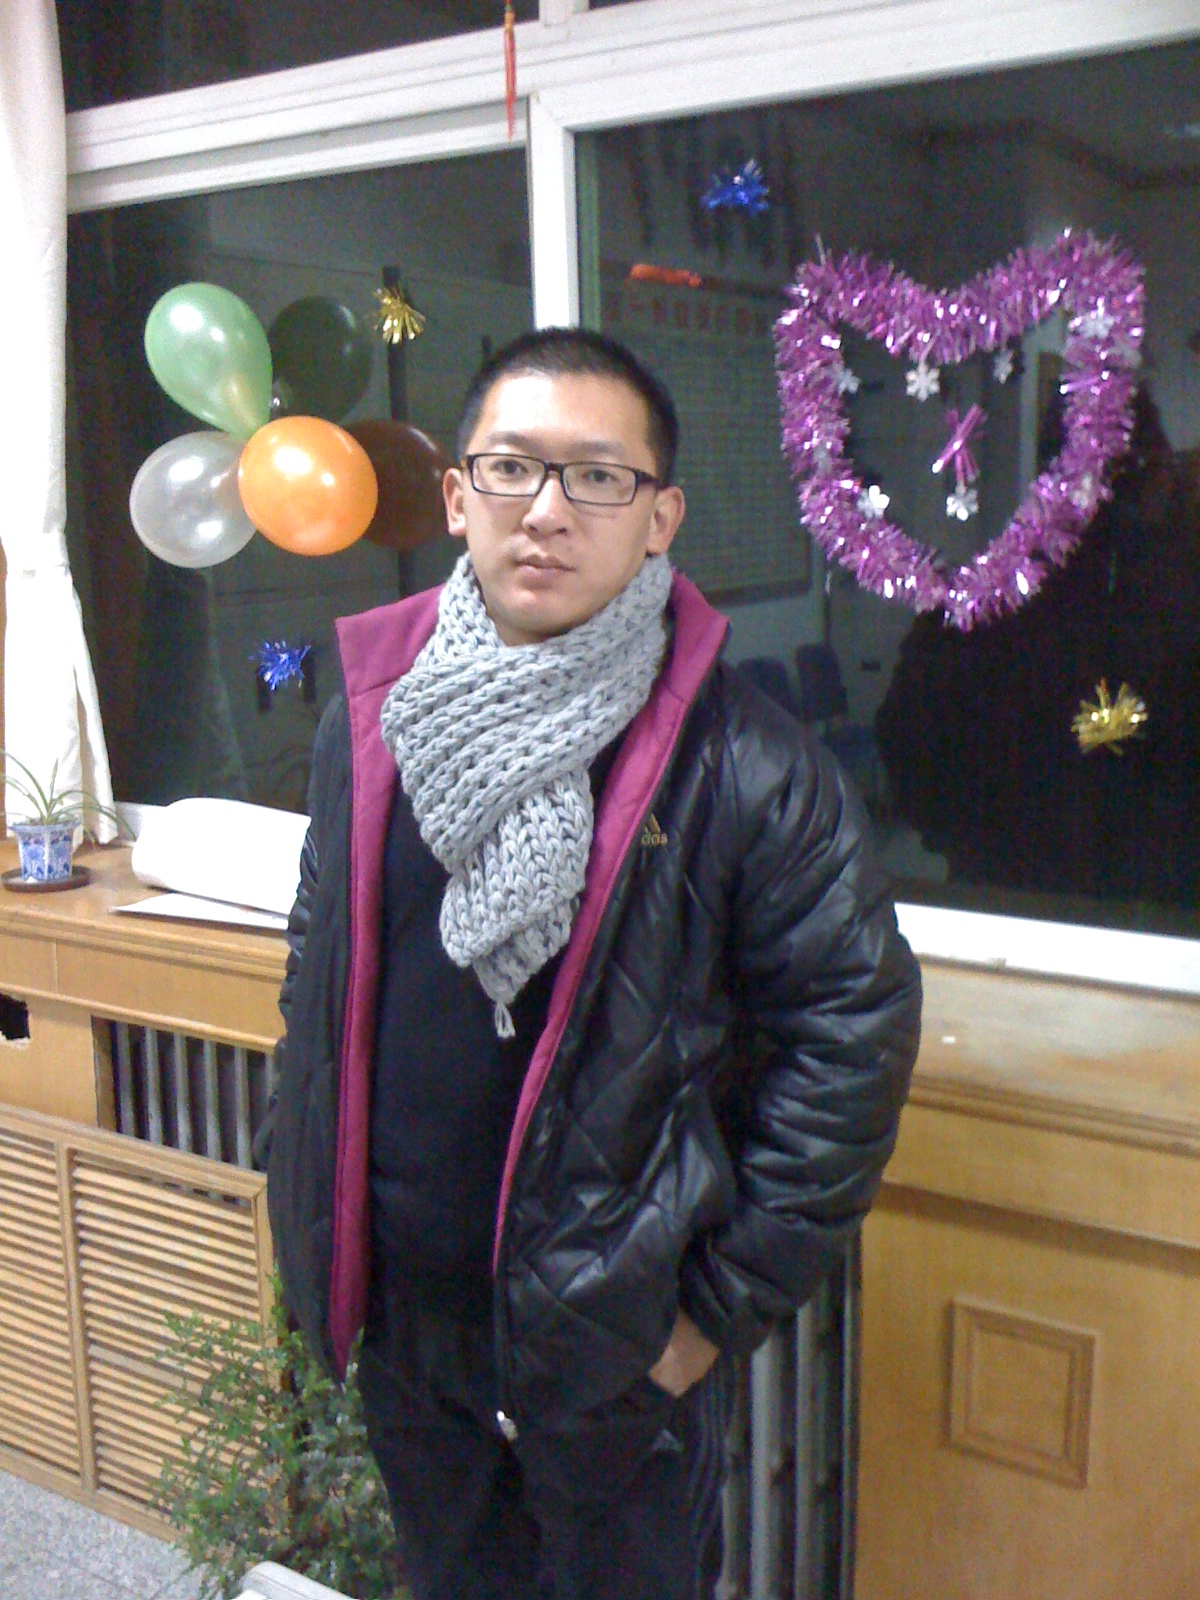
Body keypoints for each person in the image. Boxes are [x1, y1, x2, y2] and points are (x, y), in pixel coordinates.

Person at [265, 327, 922, 1600]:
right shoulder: (373, 715)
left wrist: (709, 1316)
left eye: (599, 477)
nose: (547, 510)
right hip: (409, 1329)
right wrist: (302, 1190)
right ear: (456, 496)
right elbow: (319, 965)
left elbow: (855, 1038)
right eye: (512, 467)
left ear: (660, 516)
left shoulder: (746, 760)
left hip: (617, 1352)